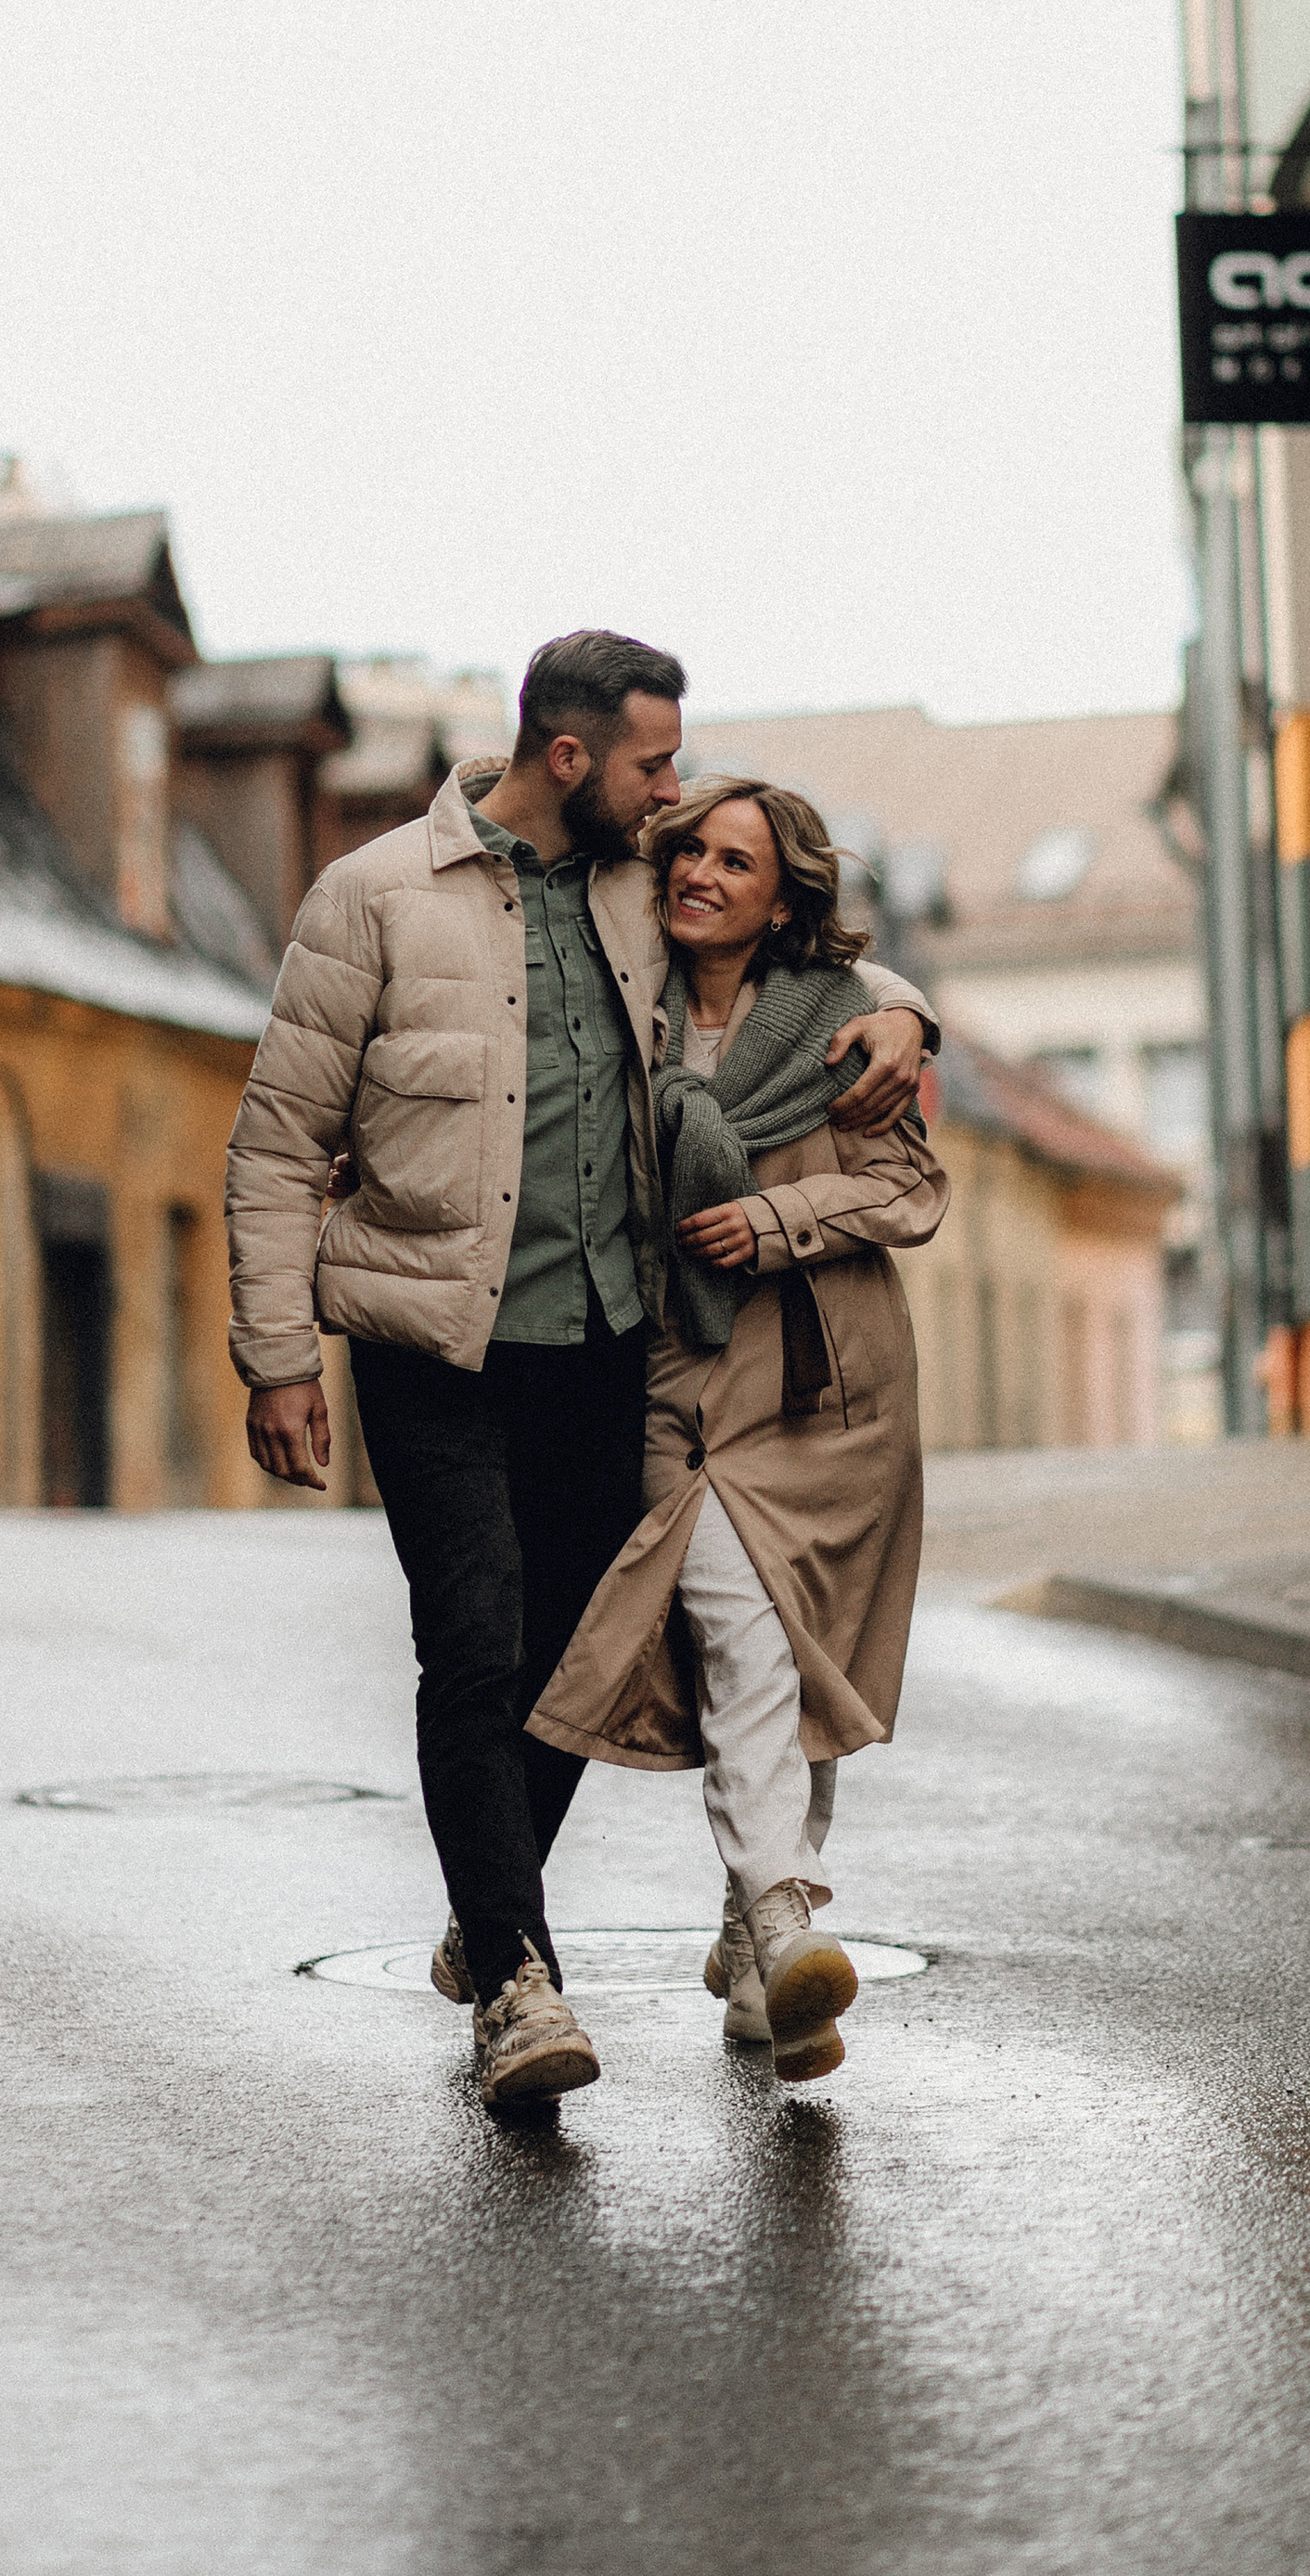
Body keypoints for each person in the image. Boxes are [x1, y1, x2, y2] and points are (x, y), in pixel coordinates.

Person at [223, 635, 938, 2113]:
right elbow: (281, 1141)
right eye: (653, 764)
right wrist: (278, 1354)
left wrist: (905, 1011)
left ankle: (488, 1914)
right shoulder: (370, 899)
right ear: (571, 760)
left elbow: (803, 954)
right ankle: (517, 1986)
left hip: (604, 1342)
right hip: (431, 1345)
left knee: (572, 1665)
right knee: (475, 1646)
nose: (671, 793)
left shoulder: (635, 890)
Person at [525, 779, 947, 2086]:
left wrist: (772, 1222)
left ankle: (756, 1957)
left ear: (786, 895)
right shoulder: (622, 1015)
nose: (704, 873)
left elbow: (909, 1190)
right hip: (680, 1381)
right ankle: (779, 1905)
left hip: (829, 1392)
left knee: (803, 1658)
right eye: (690, 850)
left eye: (738, 860)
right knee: (741, 1634)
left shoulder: (840, 1031)